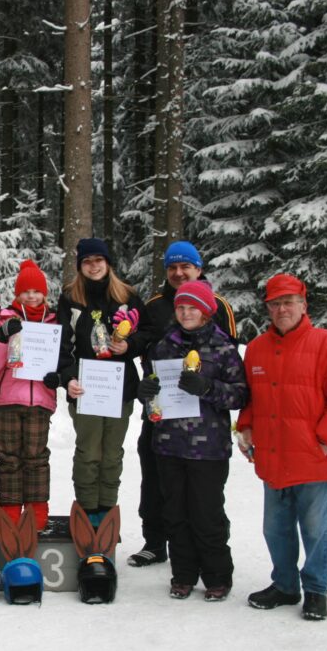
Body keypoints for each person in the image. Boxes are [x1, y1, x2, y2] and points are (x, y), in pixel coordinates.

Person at [237, 274, 327, 621]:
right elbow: (252, 398)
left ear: (303, 305)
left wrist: (325, 439)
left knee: (314, 531)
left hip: (313, 459)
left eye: (288, 302)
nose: (281, 309)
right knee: (274, 529)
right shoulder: (258, 349)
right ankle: (285, 585)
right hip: (273, 457)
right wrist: (245, 427)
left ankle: (316, 591)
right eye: (275, 303)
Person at [137, 281, 248, 601]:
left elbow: (241, 394)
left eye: (192, 308)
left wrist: (207, 388)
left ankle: (217, 577)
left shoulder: (223, 348)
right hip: (169, 445)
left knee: (207, 513)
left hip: (209, 448)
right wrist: (146, 393)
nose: (186, 313)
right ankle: (183, 574)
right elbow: (152, 386)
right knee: (175, 513)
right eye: (181, 308)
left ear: (206, 311)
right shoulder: (163, 346)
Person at [129, 241, 237, 568]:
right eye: (172, 268)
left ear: (198, 268)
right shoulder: (155, 304)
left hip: (204, 421)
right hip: (163, 411)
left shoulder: (218, 305)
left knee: (203, 498)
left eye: (185, 267)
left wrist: (206, 385)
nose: (178, 272)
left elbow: (230, 363)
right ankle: (155, 542)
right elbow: (141, 345)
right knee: (156, 478)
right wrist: (144, 387)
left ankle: (211, 557)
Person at [56, 238, 152, 528]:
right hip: (85, 389)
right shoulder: (70, 298)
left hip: (119, 388)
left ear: (108, 263)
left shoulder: (128, 296)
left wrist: (130, 345)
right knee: (89, 454)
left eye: (99, 260)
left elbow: (148, 333)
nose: (94, 266)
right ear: (80, 266)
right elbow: (62, 346)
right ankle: (87, 512)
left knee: (112, 454)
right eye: (87, 261)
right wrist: (68, 378)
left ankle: (106, 512)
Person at [0, 260, 59, 531]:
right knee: (9, 457)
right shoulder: (4, 318)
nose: (31, 296)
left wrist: (57, 375)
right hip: (8, 400)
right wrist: (2, 336)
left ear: (44, 294)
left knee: (36, 457)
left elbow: (62, 358)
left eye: (36, 291)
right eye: (25, 291)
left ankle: (38, 511)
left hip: (40, 400)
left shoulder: (54, 321)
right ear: (17, 293)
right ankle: (11, 509)